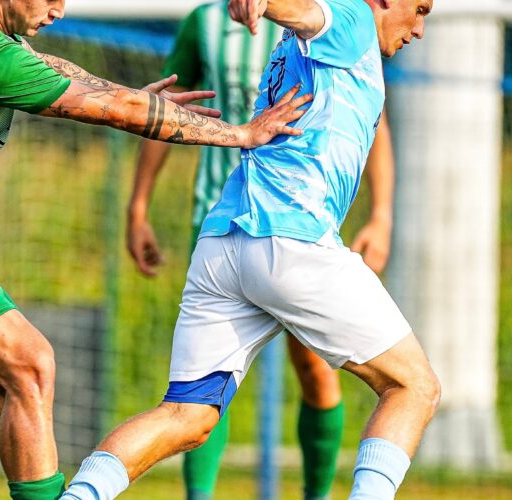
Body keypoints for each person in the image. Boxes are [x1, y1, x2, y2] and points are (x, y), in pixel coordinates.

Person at [0, 1, 309, 499]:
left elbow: (46, 66)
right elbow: (115, 111)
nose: (59, 11)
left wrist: (125, 94)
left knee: (17, 382)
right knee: (31, 364)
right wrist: (242, 134)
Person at [62, 0, 440, 499]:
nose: (419, 28)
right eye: (420, 8)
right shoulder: (352, 20)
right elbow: (306, 11)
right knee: (414, 386)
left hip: (223, 244)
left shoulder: (313, 47)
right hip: (291, 243)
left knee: (185, 416)